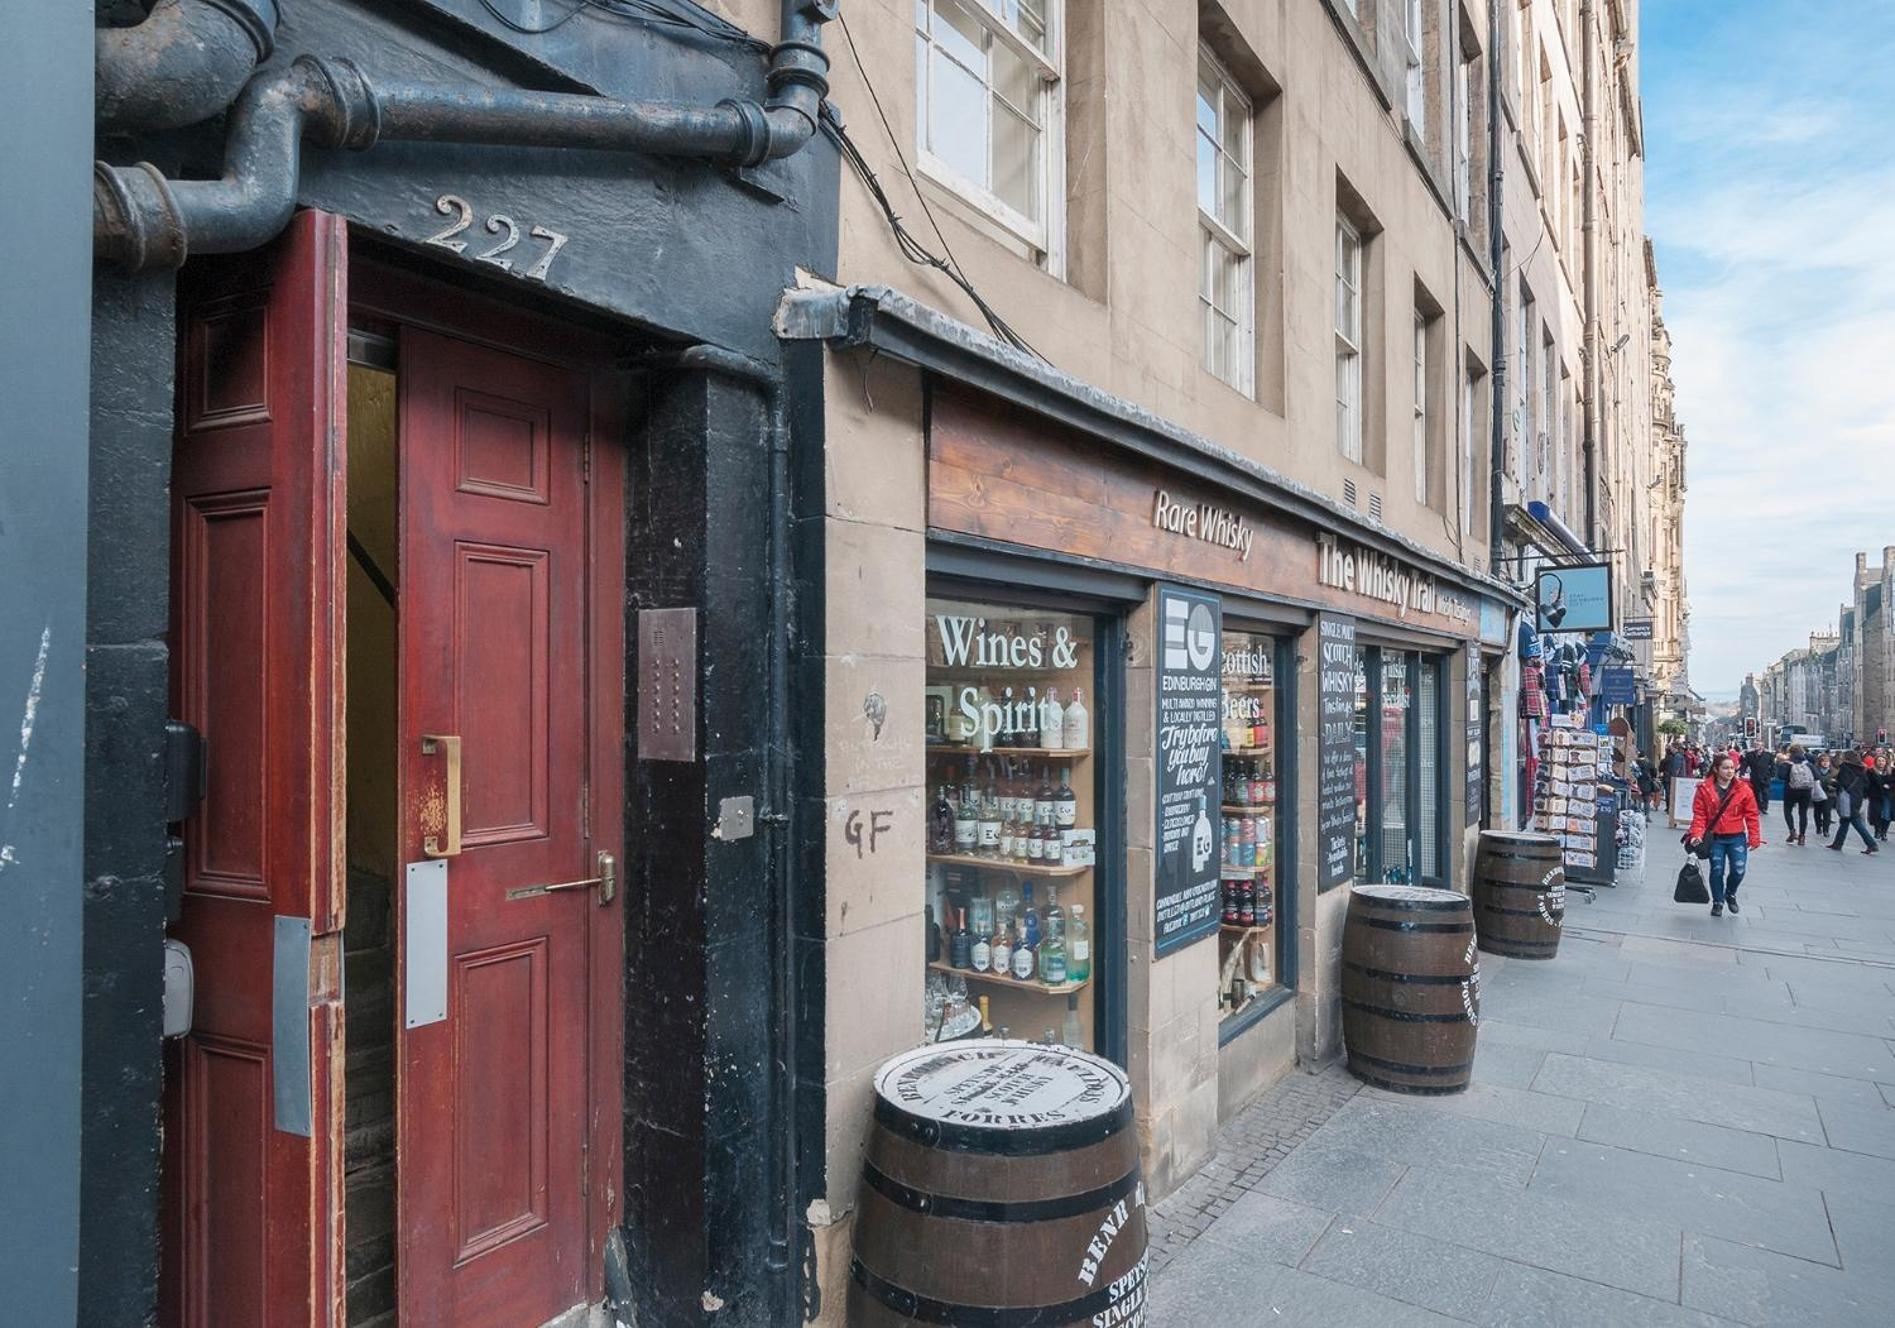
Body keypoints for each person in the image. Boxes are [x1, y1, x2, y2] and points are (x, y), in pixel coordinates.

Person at [1687, 753, 1763, 917]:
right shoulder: (1704, 789)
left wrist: (1754, 837)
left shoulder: (1743, 789)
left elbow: (1752, 814)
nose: (1730, 771)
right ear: (1716, 769)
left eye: (1732, 768)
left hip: (1736, 836)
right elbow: (1699, 814)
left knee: (1738, 870)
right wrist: (1697, 834)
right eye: (1726, 768)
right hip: (1716, 837)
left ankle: (1730, 893)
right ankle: (1718, 902)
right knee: (1717, 870)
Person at [1826, 751, 1879, 854]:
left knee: (1855, 820)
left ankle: (1871, 844)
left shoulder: (1845, 767)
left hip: (1847, 797)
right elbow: (1866, 785)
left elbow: (1843, 783)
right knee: (1845, 820)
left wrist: (1833, 783)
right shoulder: (1862, 769)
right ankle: (1838, 843)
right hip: (1857, 797)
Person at [1781, 744, 1817, 845]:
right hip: (1805, 791)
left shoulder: (1788, 763)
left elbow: (1781, 776)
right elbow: (1817, 775)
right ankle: (1802, 836)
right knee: (1803, 813)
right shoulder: (1808, 763)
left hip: (1791, 790)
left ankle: (1792, 831)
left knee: (1787, 810)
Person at [1812, 751, 1835, 838]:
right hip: (1818, 793)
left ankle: (1826, 830)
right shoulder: (1815, 770)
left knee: (1827, 812)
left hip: (1829, 794)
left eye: (1827, 761)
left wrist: (1833, 786)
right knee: (1817, 811)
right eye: (1823, 761)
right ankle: (1818, 827)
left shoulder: (1834, 772)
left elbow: (1838, 783)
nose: (1825, 763)